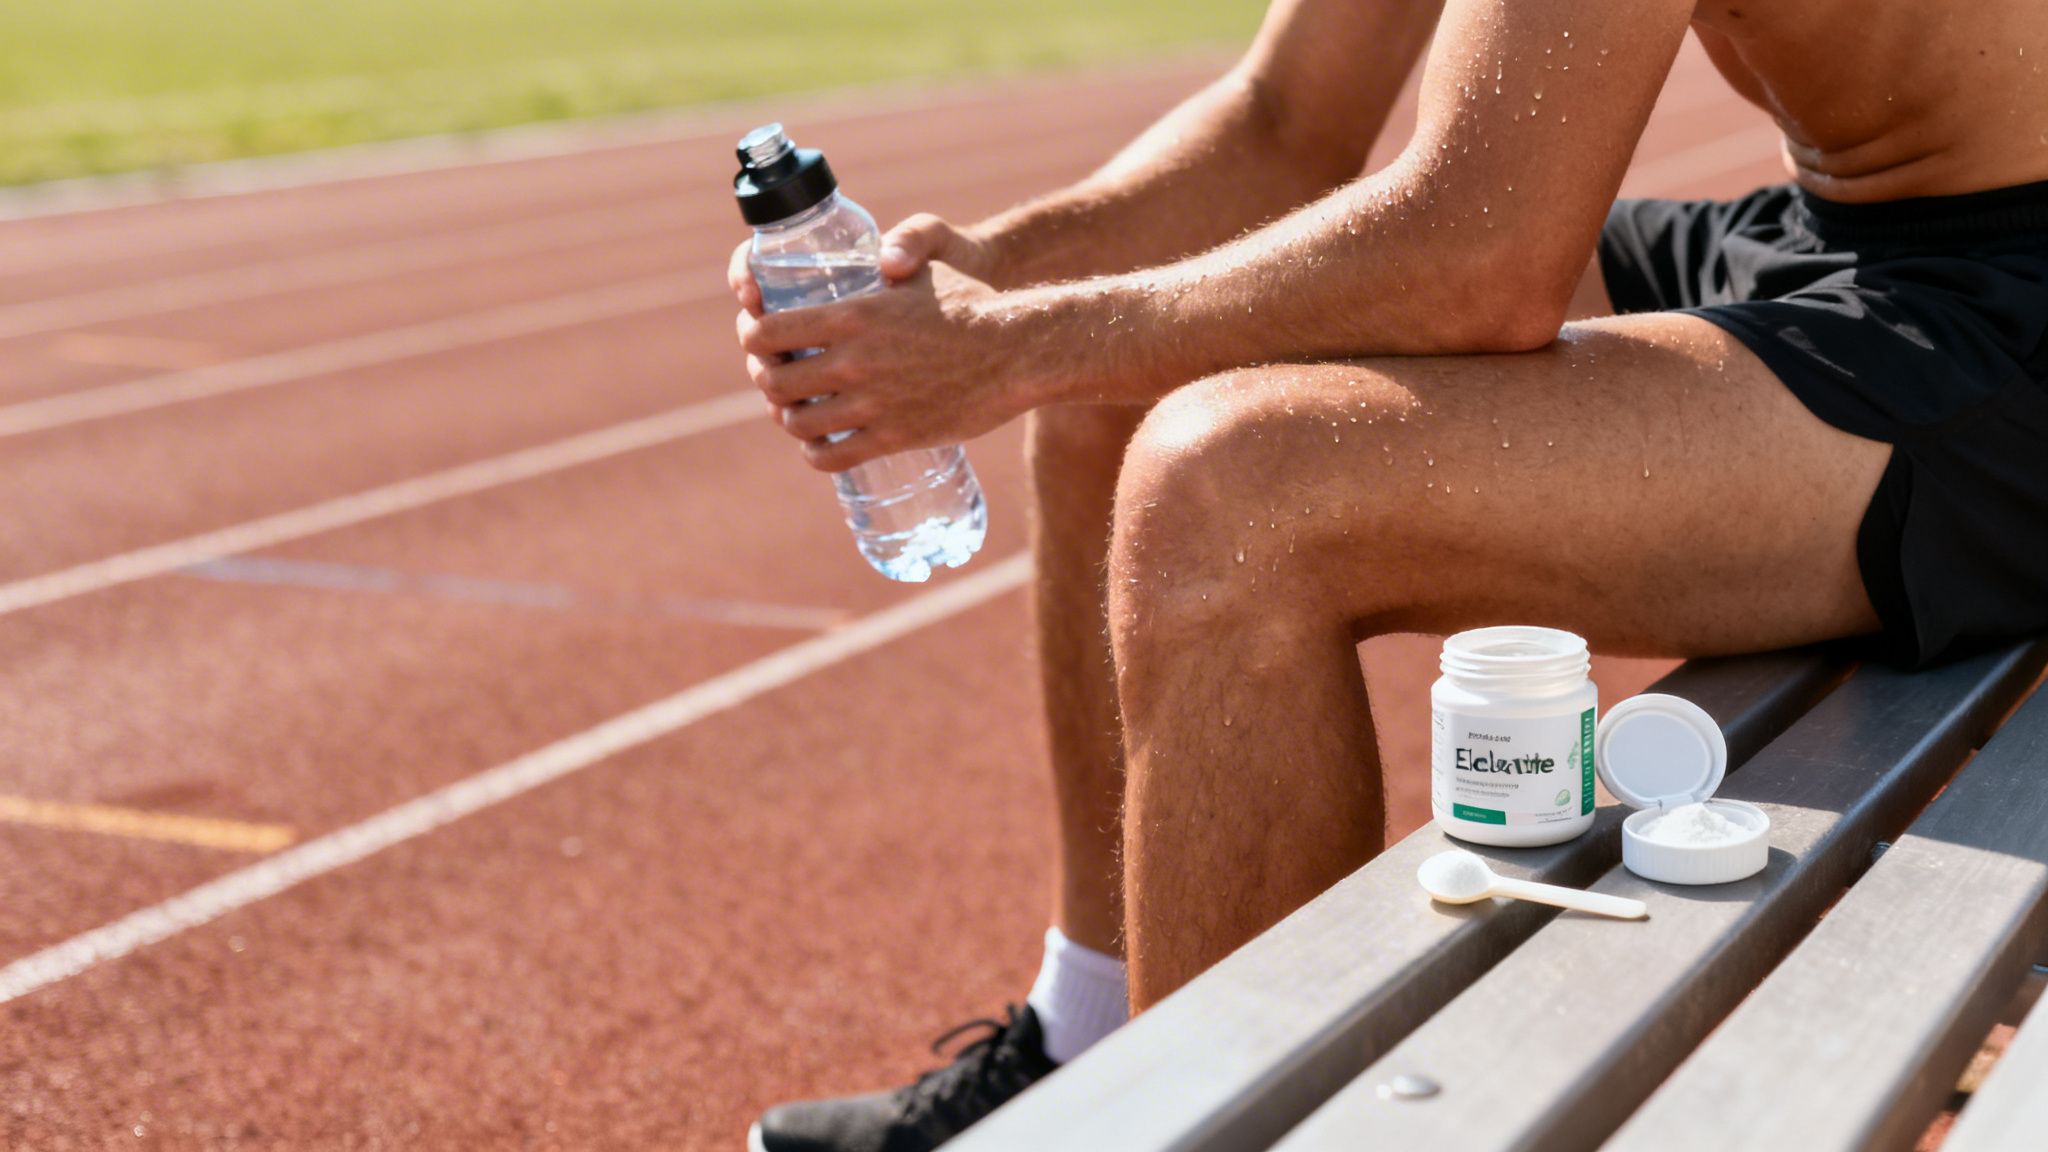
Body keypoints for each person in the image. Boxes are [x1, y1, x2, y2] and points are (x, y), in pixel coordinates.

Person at [732, 0, 2048, 1147]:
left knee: (1230, 492)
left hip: (2010, 307)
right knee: (1109, 369)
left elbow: (1483, 256)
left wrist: (1012, 344)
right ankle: (1090, 1045)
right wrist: (976, 292)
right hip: (1848, 236)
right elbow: (1282, 118)